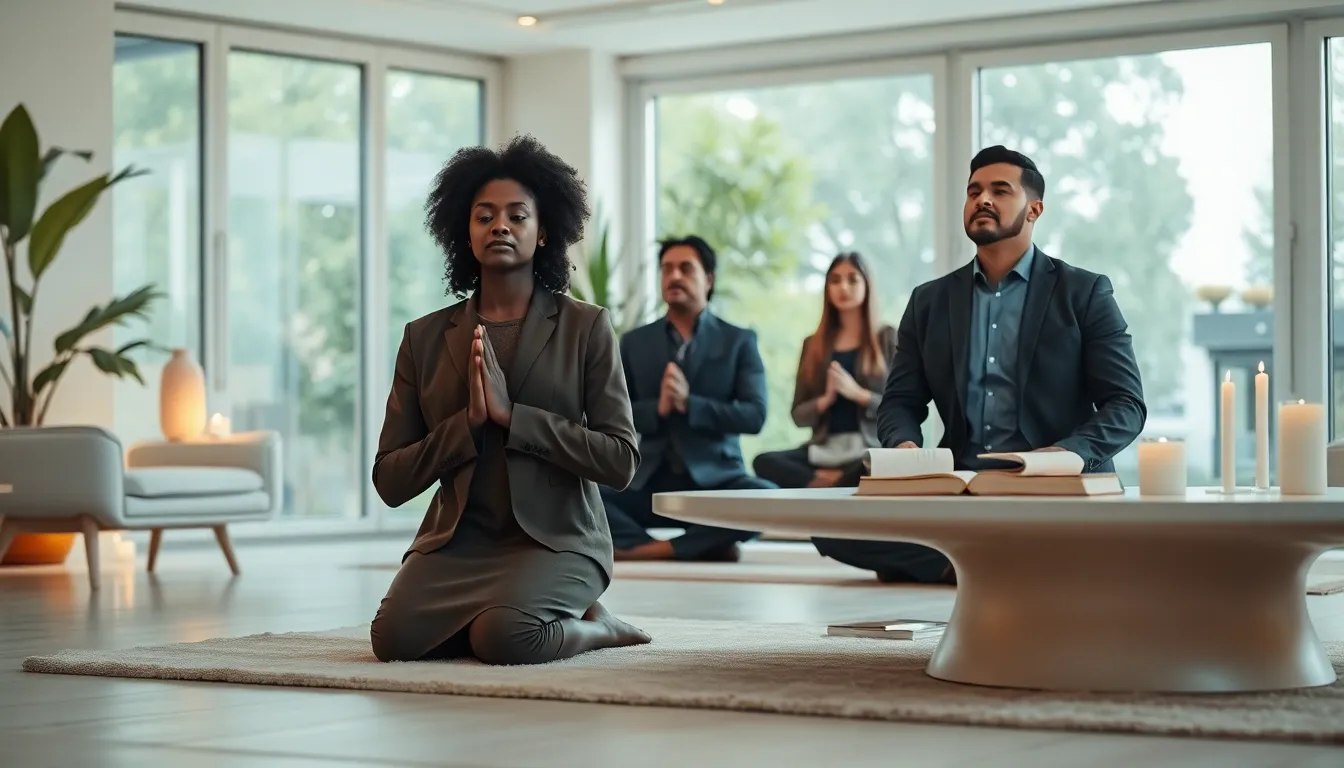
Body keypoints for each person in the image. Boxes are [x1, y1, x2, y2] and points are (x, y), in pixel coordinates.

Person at [368, 135, 651, 664]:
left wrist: (513, 418)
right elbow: (389, 479)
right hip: (458, 545)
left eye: (517, 216)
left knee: (506, 638)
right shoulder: (423, 338)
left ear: (543, 233)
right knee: (393, 641)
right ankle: (495, 614)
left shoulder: (586, 328)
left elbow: (620, 460)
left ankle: (600, 627)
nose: (500, 225)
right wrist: (467, 425)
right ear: (464, 233)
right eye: (484, 216)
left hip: (557, 541)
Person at [814, 145, 1147, 584]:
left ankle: (973, 561)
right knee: (830, 526)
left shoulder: (1084, 292)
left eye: (1000, 190)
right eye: (973, 191)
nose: (982, 200)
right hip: (961, 488)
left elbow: (1127, 405)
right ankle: (991, 562)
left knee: (1077, 545)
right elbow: (900, 402)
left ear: (1034, 210)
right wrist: (903, 447)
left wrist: (1067, 453)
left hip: (1052, 489)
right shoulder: (929, 301)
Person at [599, 235, 773, 562]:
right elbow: (612, 413)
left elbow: (755, 415)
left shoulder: (739, 341)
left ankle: (652, 550)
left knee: (767, 498)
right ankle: (701, 545)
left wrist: (691, 405)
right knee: (579, 492)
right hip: (649, 480)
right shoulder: (635, 342)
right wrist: (659, 409)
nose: (674, 276)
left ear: (708, 280)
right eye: (666, 269)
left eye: (685, 268)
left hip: (716, 481)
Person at [753, 252, 896, 489]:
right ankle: (830, 484)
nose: (843, 287)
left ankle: (829, 484)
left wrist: (857, 394)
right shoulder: (813, 344)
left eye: (852, 279)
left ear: (867, 285)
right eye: (835, 280)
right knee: (764, 462)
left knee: (885, 463)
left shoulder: (886, 337)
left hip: (867, 450)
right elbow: (798, 415)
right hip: (822, 450)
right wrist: (826, 400)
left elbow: (900, 410)